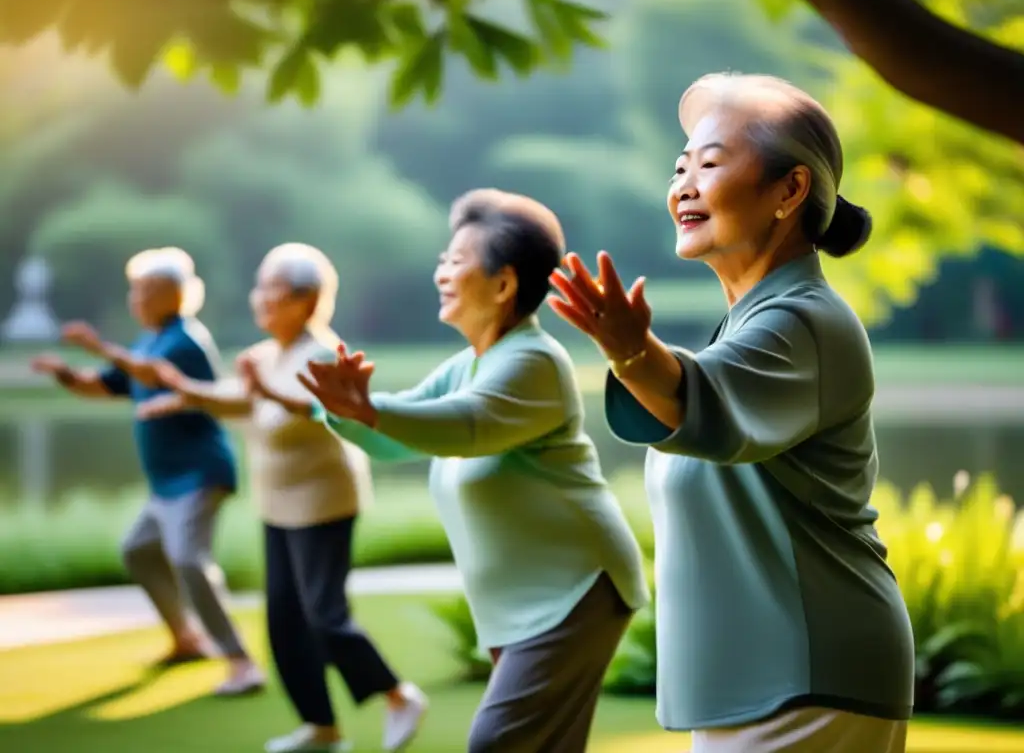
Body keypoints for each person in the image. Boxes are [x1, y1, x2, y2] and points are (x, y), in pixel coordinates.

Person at [548, 71, 915, 753]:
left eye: (710, 163)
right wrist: (633, 356)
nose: (684, 184)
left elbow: (697, 399)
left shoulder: (804, 323)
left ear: (789, 190)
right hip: (766, 688)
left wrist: (631, 351)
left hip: (810, 682)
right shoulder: (752, 325)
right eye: (680, 166)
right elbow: (698, 401)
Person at [297, 189, 650, 753]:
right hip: (525, 601)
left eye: (456, 261)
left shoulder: (533, 363)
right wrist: (339, 410)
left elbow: (463, 427)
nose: (441, 272)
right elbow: (394, 441)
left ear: (504, 283)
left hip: (577, 588)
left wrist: (368, 409)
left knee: (497, 742)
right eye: (443, 259)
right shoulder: (470, 364)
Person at [138, 243, 427, 753]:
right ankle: (322, 728)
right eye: (260, 286)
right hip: (277, 504)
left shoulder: (319, 354)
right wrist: (182, 392)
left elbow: (312, 409)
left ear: (306, 300)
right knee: (285, 623)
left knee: (324, 615)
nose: (260, 298)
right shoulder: (268, 354)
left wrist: (262, 394)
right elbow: (238, 402)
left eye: (272, 288)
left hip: (324, 503)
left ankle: (399, 695)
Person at [30, 247, 264, 697]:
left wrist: (98, 345)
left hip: (199, 472)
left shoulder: (185, 340)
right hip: (166, 482)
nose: (134, 299)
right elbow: (105, 386)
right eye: (134, 290)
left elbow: (154, 375)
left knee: (188, 560)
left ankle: (240, 661)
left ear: (172, 295)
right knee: (138, 550)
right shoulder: (147, 339)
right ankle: (185, 638)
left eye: (144, 290)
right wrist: (65, 374)